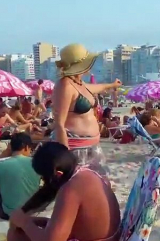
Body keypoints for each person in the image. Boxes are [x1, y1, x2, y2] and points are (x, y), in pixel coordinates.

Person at [51, 43, 121, 177]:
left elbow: (98, 87)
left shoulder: (79, 83)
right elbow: (59, 122)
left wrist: (112, 85)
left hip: (92, 146)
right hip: (75, 148)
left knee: (99, 183)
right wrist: (64, 156)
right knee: (80, 186)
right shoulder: (65, 85)